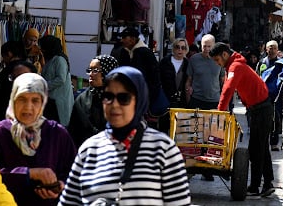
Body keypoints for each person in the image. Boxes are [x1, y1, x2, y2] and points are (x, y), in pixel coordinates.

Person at [58, 66, 190, 205]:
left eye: (123, 98)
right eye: (108, 96)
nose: (114, 105)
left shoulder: (163, 150)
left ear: (139, 100)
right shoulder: (89, 149)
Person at [0, 73, 77, 204]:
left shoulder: (57, 133)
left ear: (43, 102)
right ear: (13, 99)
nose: (28, 107)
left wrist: (60, 185)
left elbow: (74, 173)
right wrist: (30, 173)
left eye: (35, 100)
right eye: (22, 99)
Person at [210, 43, 275, 197]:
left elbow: (228, 89)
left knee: (258, 148)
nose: (217, 63)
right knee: (258, 147)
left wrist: (220, 111)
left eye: (218, 60)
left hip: (262, 109)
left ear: (225, 55)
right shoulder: (233, 66)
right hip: (255, 109)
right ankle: (263, 184)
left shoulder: (235, 67)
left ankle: (261, 185)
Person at [67, 55, 119, 147]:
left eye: (95, 70)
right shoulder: (82, 99)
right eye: (89, 70)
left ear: (107, 72)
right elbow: (73, 130)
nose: (90, 74)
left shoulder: (120, 99)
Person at [117, 26, 162, 120]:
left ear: (133, 39)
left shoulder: (146, 53)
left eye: (125, 38)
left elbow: (154, 78)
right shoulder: (123, 52)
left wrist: (149, 97)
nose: (122, 40)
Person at [38, 35, 74, 128]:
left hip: (58, 99)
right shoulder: (51, 59)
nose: (42, 50)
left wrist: (44, 85)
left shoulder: (59, 59)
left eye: (43, 47)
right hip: (51, 99)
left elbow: (61, 79)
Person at [159, 38, 190, 135]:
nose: (180, 50)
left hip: (181, 101)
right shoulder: (165, 61)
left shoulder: (187, 64)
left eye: (183, 48)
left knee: (180, 130)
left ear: (186, 50)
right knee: (164, 128)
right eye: (177, 47)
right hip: (166, 100)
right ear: (173, 48)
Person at [185, 34, 223, 110]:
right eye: (204, 46)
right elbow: (189, 80)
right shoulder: (194, 59)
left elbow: (223, 81)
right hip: (197, 99)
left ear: (214, 46)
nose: (206, 49)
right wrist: (188, 100)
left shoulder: (220, 59)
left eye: (209, 46)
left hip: (214, 101)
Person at [0, 42, 26, 121]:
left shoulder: (8, 70)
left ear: (9, 54)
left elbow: (0, 91)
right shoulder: (29, 67)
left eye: (3, 56)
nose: (3, 60)